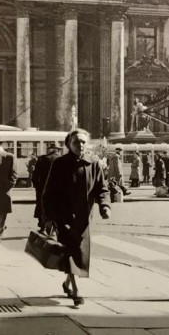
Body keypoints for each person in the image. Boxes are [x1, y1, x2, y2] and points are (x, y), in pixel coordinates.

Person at [42, 128, 111, 307]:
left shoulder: (93, 163)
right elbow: (48, 192)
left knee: (79, 253)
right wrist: (49, 216)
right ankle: (75, 290)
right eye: (76, 142)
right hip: (62, 216)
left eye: (83, 141)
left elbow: (101, 188)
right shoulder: (59, 163)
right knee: (68, 250)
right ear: (68, 145)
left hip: (83, 217)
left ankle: (67, 282)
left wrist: (105, 206)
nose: (80, 145)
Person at [31, 145, 61, 229]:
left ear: (50, 150)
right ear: (58, 150)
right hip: (57, 189)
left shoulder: (42, 159)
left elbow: (35, 176)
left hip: (42, 187)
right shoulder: (61, 160)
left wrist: (38, 186)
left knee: (42, 205)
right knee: (56, 206)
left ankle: (42, 225)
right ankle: (54, 227)